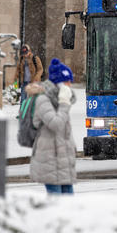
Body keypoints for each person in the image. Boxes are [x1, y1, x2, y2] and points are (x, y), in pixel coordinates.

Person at [26, 58, 77, 194]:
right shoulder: (43, 99)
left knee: (68, 206)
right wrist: (64, 103)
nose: (69, 85)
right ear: (59, 83)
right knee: (56, 206)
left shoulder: (58, 100)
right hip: (49, 162)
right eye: (67, 82)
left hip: (62, 163)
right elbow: (56, 124)